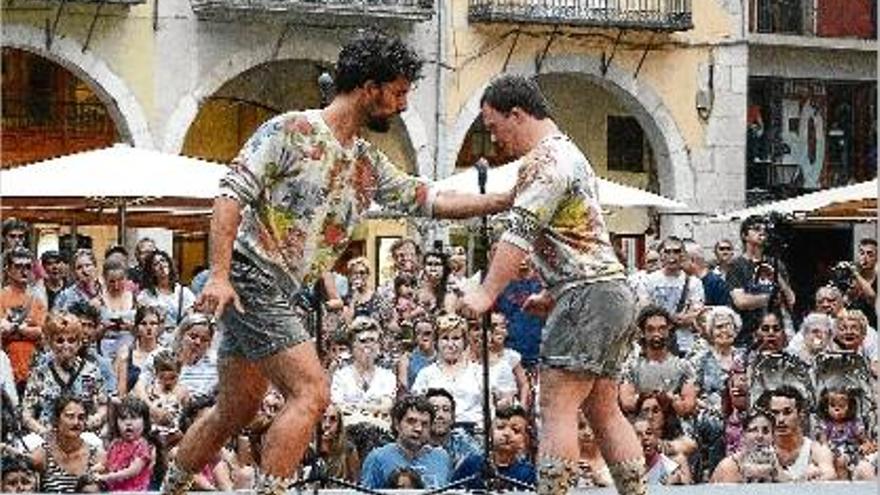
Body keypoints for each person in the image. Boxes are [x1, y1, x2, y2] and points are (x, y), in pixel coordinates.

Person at [165, 30, 515, 495]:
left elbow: (428, 197)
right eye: (398, 92)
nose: (403, 105)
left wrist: (501, 200)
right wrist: (221, 274)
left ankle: (173, 484)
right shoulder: (292, 130)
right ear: (369, 88)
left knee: (237, 408)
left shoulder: (366, 162)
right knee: (312, 392)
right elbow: (230, 195)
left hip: (277, 287)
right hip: (254, 276)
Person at [458, 74, 643, 495]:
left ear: (517, 114)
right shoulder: (571, 154)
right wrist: (554, 291)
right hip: (611, 291)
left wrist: (486, 293)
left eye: (493, 126)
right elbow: (579, 235)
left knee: (555, 408)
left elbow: (519, 233)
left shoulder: (543, 161)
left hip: (586, 294)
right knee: (604, 409)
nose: (494, 139)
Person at [726, 215, 796, 348]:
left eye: (765, 230)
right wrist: (770, 297)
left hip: (775, 334)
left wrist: (777, 276)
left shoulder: (775, 263)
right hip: (747, 336)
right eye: (757, 229)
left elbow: (791, 300)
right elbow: (741, 302)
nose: (762, 232)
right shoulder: (737, 266)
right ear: (744, 235)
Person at [359, 394, 450, 489]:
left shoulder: (442, 457)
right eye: (411, 421)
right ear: (397, 424)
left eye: (425, 424)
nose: (418, 429)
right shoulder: (377, 458)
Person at [452, 404, 537, 490]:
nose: (507, 433)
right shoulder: (471, 464)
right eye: (500, 427)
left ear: (524, 440)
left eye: (515, 430)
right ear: (490, 433)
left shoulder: (527, 473)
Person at [759, 386, 836, 481]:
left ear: (801, 415)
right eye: (775, 413)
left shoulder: (816, 450)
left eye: (787, 412)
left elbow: (829, 474)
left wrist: (818, 477)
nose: (780, 419)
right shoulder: (762, 450)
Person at [97, 396, 157, 491]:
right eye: (123, 418)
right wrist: (91, 470)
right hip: (114, 491)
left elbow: (132, 471)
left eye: (134, 418)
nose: (128, 423)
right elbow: (105, 465)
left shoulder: (143, 445)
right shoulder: (115, 443)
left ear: (145, 422)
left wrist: (107, 477)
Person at [424, 387, 480, 470]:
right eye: (435, 410)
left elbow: (480, 461)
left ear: (453, 417)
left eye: (446, 410)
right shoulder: (417, 443)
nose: (440, 415)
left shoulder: (462, 440)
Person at [846, 238, 877, 329]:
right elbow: (846, 300)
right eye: (862, 253)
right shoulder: (853, 277)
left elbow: (871, 296)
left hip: (872, 326)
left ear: (877, 257)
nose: (865, 257)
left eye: (870, 254)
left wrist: (856, 274)